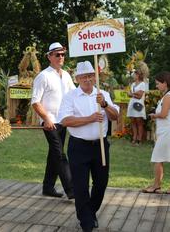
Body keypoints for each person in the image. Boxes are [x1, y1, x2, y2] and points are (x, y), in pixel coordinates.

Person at [58, 61, 119, 232]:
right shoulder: (70, 96)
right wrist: (90, 118)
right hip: (79, 147)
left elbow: (115, 116)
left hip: (100, 146)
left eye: (90, 76)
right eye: (83, 76)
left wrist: (105, 105)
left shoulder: (103, 94)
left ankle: (90, 212)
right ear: (77, 78)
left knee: (101, 183)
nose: (87, 79)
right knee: (80, 185)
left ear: (95, 77)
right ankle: (86, 222)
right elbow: (65, 120)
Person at [31, 42, 75, 199]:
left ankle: (48, 187)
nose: (61, 57)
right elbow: (35, 102)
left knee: (54, 155)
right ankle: (71, 190)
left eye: (63, 54)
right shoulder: (43, 76)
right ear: (49, 57)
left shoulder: (67, 76)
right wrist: (46, 119)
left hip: (63, 121)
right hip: (50, 122)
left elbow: (74, 96)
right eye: (57, 54)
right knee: (59, 154)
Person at [142, 71, 170, 194]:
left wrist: (154, 115)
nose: (157, 86)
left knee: (158, 158)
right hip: (164, 131)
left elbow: (164, 114)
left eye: (158, 83)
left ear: (165, 83)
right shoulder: (166, 96)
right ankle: (157, 185)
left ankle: (156, 185)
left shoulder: (168, 96)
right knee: (161, 158)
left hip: (167, 131)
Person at [127, 68, 146, 145]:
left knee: (139, 122)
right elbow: (131, 94)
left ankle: (139, 139)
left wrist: (132, 94)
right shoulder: (132, 84)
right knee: (133, 121)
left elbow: (140, 96)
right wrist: (133, 94)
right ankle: (134, 138)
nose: (133, 76)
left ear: (138, 75)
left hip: (138, 105)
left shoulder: (142, 84)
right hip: (132, 104)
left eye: (134, 74)